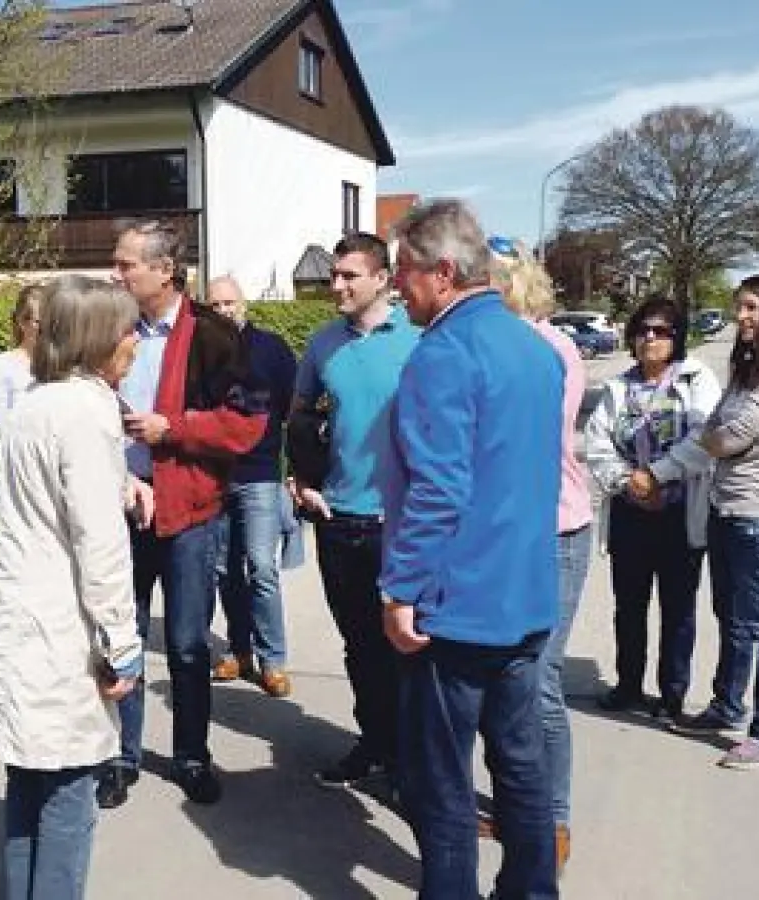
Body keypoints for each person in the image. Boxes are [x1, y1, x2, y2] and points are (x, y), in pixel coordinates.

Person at [382, 199, 562, 900]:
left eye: (405, 272)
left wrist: (400, 589)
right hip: (524, 593)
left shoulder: (444, 354)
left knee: (442, 778)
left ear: (444, 273)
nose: (400, 287)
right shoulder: (533, 347)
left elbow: (438, 489)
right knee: (520, 764)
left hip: (456, 605)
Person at [0, 275, 148, 900]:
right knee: (69, 795)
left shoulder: (36, 403)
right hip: (57, 626)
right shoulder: (86, 412)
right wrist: (122, 642)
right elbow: (100, 545)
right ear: (98, 338)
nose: (136, 343)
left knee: (27, 785)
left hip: (18, 616)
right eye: (128, 330)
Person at [102, 220, 268, 809]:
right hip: (119, 506)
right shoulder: (110, 327)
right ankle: (121, 756)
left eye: (126, 265)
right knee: (119, 638)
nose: (115, 274)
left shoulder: (216, 337)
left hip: (188, 510)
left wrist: (175, 429)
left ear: (164, 271)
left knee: (187, 643)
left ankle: (192, 755)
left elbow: (249, 424)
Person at [289, 231, 420, 789]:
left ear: (382, 279)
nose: (336, 285)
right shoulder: (322, 345)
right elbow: (299, 417)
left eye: (349, 276)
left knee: (409, 647)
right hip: (339, 519)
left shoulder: (421, 339)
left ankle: (413, 762)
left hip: (402, 522)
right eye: (335, 275)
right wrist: (302, 477)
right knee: (360, 645)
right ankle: (375, 744)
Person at [486, 236, 595, 872]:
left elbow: (523, 438)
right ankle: (515, 802)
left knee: (539, 682)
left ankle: (551, 815)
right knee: (505, 681)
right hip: (504, 535)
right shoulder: (488, 345)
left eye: (491, 279)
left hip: (555, 531)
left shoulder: (551, 348)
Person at [676, 274, 759, 771]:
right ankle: (726, 706)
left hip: (758, 513)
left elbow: (729, 436)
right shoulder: (748, 369)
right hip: (725, 506)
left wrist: (714, 437)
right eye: (740, 308)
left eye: (752, 308)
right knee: (731, 619)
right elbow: (716, 424)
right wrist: (714, 435)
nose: (743, 317)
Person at [584, 295, 721, 723]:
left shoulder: (698, 380)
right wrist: (630, 482)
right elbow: (598, 442)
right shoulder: (618, 388)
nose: (649, 338)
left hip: (680, 513)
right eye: (642, 330)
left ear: (676, 338)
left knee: (678, 608)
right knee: (629, 605)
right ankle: (628, 686)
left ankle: (672, 694)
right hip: (630, 512)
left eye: (660, 331)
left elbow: (706, 439)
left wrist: (658, 476)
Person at [204, 275, 299, 698]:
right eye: (216, 304)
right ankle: (239, 650)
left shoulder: (272, 349)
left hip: (260, 473)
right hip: (217, 475)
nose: (224, 310)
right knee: (226, 569)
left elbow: (292, 408)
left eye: (229, 303)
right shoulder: (200, 352)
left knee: (261, 567)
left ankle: (273, 659)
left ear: (243, 304)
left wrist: (292, 468)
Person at [0, 282, 46, 438]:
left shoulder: (65, 365)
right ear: (22, 323)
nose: (47, 328)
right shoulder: (0, 366)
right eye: (39, 322)